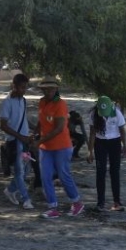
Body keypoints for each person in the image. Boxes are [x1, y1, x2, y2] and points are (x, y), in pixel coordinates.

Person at [33, 77, 84, 218]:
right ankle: (52, 207)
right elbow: (41, 120)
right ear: (42, 90)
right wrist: (35, 134)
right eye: (45, 89)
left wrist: (40, 140)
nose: (48, 91)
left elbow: (59, 128)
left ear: (56, 89)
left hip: (61, 146)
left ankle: (77, 203)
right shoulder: (42, 102)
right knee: (45, 176)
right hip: (46, 147)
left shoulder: (60, 104)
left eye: (51, 88)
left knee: (63, 175)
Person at [86, 95, 126, 211]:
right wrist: (90, 151)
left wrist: (124, 146)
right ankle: (100, 202)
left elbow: (122, 131)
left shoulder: (117, 113)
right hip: (100, 143)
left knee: (115, 171)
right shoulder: (94, 115)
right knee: (100, 172)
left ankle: (117, 202)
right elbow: (92, 134)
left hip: (115, 142)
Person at [0, 73, 34, 210]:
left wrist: (35, 127)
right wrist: (21, 137)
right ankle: (26, 199)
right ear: (14, 86)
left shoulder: (23, 100)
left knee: (26, 170)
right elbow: (3, 125)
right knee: (20, 172)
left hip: (24, 141)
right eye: (21, 87)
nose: (23, 90)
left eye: (25, 88)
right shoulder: (7, 102)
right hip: (15, 141)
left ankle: (10, 190)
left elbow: (23, 120)